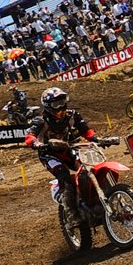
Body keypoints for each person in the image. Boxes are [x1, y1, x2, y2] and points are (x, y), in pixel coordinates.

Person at [24, 87, 97, 250]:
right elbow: (29, 136)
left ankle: (94, 197)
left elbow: (87, 130)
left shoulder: (72, 115)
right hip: (49, 154)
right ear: (48, 106)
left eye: (63, 102)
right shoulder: (40, 120)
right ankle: (71, 215)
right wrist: (36, 143)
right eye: (57, 103)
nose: (61, 107)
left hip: (68, 149)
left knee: (88, 168)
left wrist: (96, 138)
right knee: (64, 177)